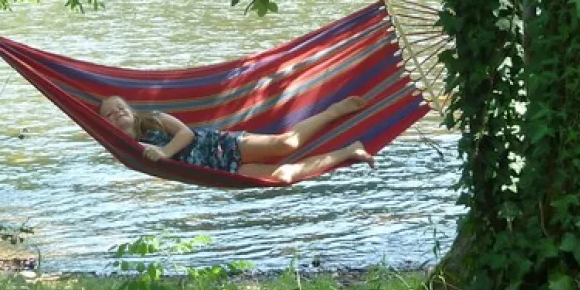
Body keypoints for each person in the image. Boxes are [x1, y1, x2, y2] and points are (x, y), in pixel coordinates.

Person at [96, 94, 377, 183]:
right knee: (283, 177)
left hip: (218, 146)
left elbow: (186, 133)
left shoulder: (154, 118)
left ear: (131, 111)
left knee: (286, 144)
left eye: (121, 108)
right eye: (110, 114)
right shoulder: (126, 149)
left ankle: (331, 112)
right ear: (105, 123)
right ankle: (350, 151)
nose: (118, 113)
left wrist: (166, 153)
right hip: (216, 171)